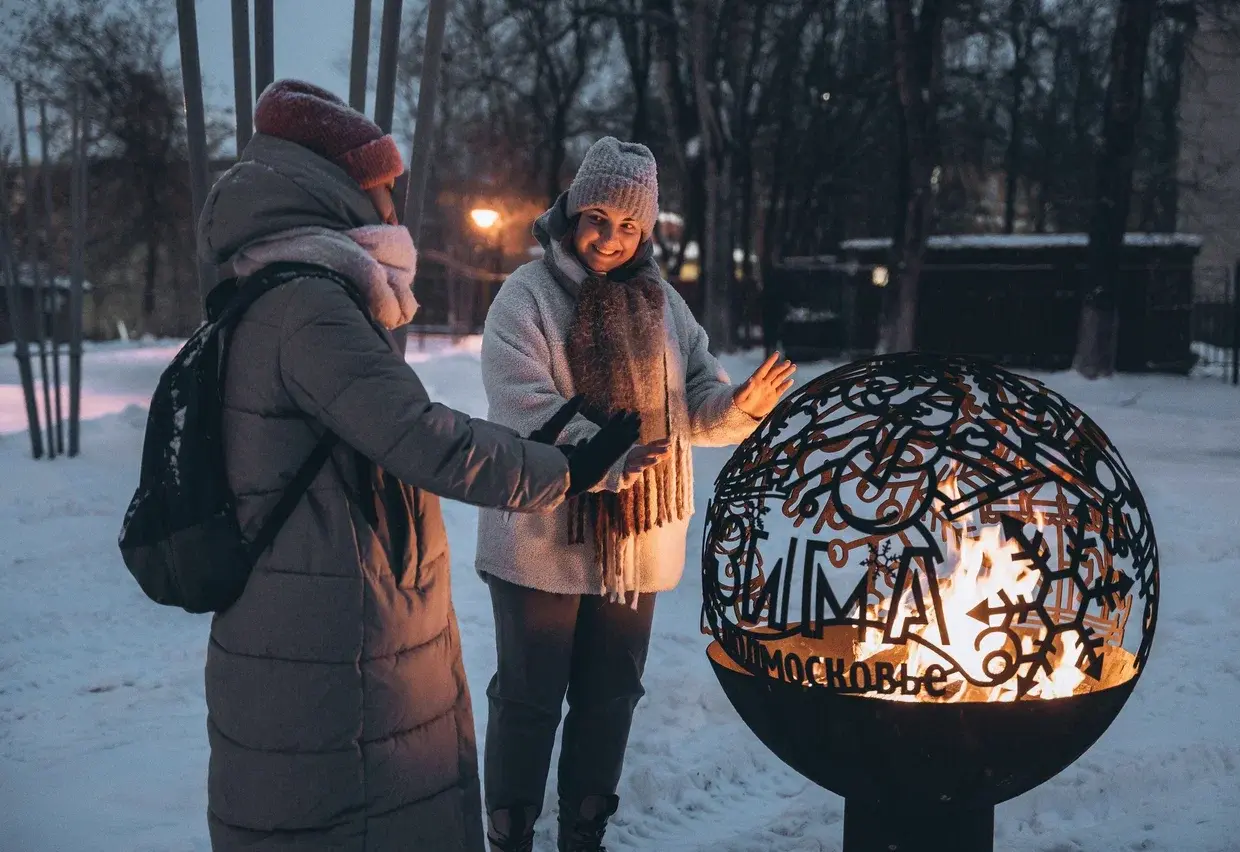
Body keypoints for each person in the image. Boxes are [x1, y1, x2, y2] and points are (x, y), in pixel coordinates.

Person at [196, 80, 637, 852]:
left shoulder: (270, 285)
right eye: (382, 186)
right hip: (335, 631)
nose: (393, 204)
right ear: (338, 186)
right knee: (357, 812)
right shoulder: (310, 308)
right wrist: (564, 471)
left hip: (319, 605)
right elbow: (424, 438)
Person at [476, 137, 796, 851]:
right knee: (529, 701)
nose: (610, 239)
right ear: (570, 209)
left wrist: (740, 404)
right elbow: (521, 401)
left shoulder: (664, 308)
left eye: (629, 226)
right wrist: (610, 454)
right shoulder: (525, 297)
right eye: (598, 217)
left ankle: (585, 832)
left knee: (609, 699)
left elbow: (699, 402)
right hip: (541, 543)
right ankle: (511, 833)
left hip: (634, 549)